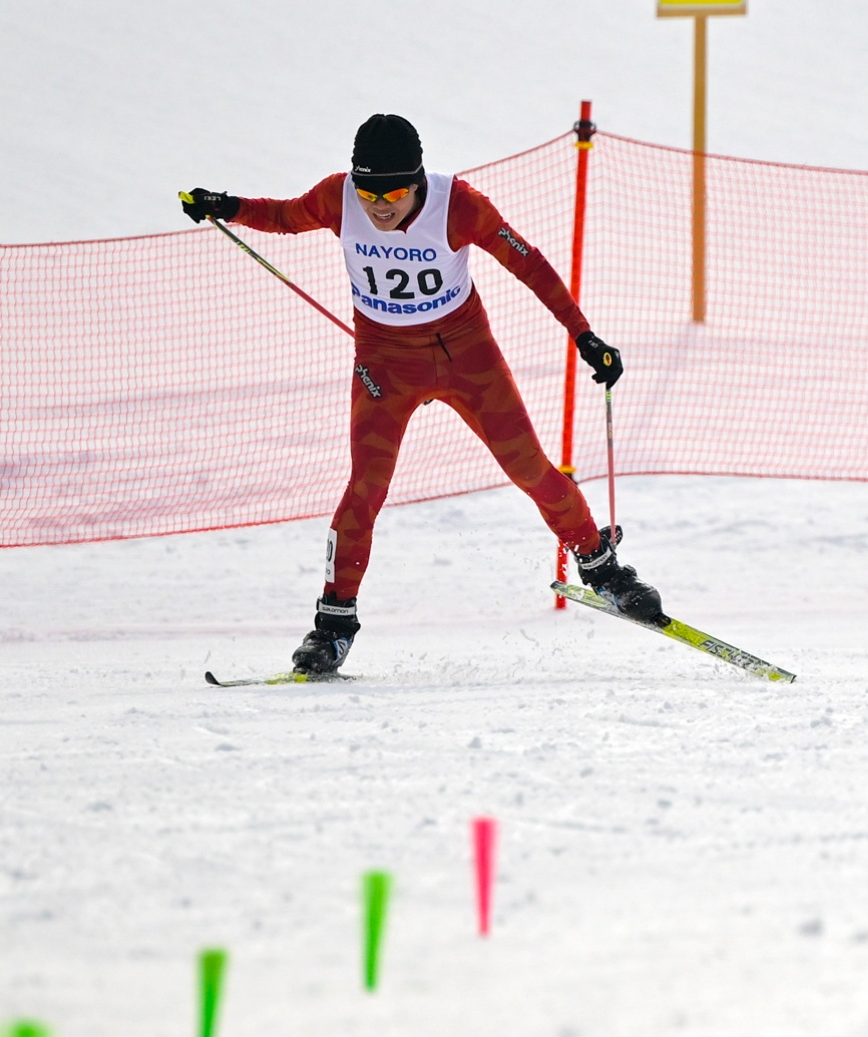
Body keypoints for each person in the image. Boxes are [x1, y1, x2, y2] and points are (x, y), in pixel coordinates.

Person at [182, 113, 660, 676]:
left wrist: (584, 336)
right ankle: (332, 626)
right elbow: (283, 216)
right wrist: (225, 205)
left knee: (529, 467)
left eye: (393, 194)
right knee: (365, 489)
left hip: (466, 355)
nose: (379, 208)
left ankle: (602, 568)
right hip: (385, 362)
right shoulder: (338, 198)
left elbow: (528, 264)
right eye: (369, 194)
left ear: (417, 182)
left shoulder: (459, 206)